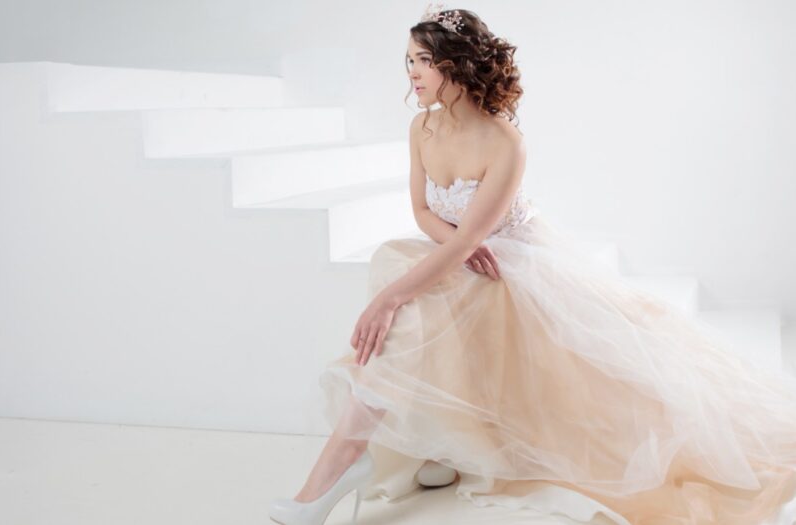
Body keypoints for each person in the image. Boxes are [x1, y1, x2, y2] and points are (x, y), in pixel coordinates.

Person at [269, 5, 796, 525]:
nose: (411, 73)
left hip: (507, 263)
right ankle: (393, 453)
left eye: (422, 60)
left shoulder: (506, 142)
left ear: (456, 64)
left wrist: (403, 289)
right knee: (402, 282)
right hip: (459, 252)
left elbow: (475, 243)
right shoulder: (420, 128)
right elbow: (423, 211)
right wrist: (451, 246)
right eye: (407, 60)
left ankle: (344, 462)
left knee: (407, 305)